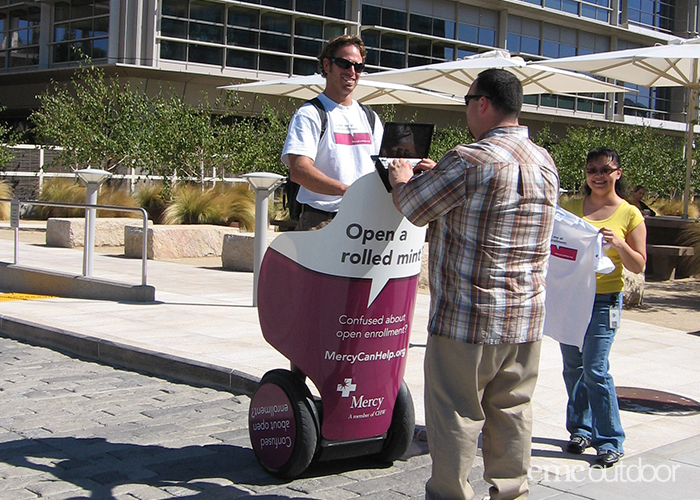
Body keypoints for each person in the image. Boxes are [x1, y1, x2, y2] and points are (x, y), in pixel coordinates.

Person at [388, 69, 559, 500]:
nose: (466, 110)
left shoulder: (468, 159)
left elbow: (413, 206)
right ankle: (511, 492)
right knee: (513, 411)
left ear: (482, 103)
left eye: (467, 101)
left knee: (456, 416)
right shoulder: (545, 162)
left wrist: (402, 176)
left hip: (467, 319)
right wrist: (436, 173)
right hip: (525, 317)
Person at [559, 147, 647, 468]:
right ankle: (580, 429)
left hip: (603, 301)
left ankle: (609, 439)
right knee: (573, 368)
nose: (598, 176)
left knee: (596, 370)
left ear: (617, 174)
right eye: (592, 170)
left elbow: (638, 265)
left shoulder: (629, 214)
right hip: (569, 297)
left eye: (605, 170)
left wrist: (620, 244)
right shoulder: (569, 207)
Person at [281, 34, 383, 231]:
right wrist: (348, 191)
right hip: (321, 221)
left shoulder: (370, 117)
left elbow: (382, 166)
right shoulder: (310, 114)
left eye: (358, 66)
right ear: (327, 66)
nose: (352, 71)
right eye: (344, 64)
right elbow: (299, 171)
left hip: (364, 219)